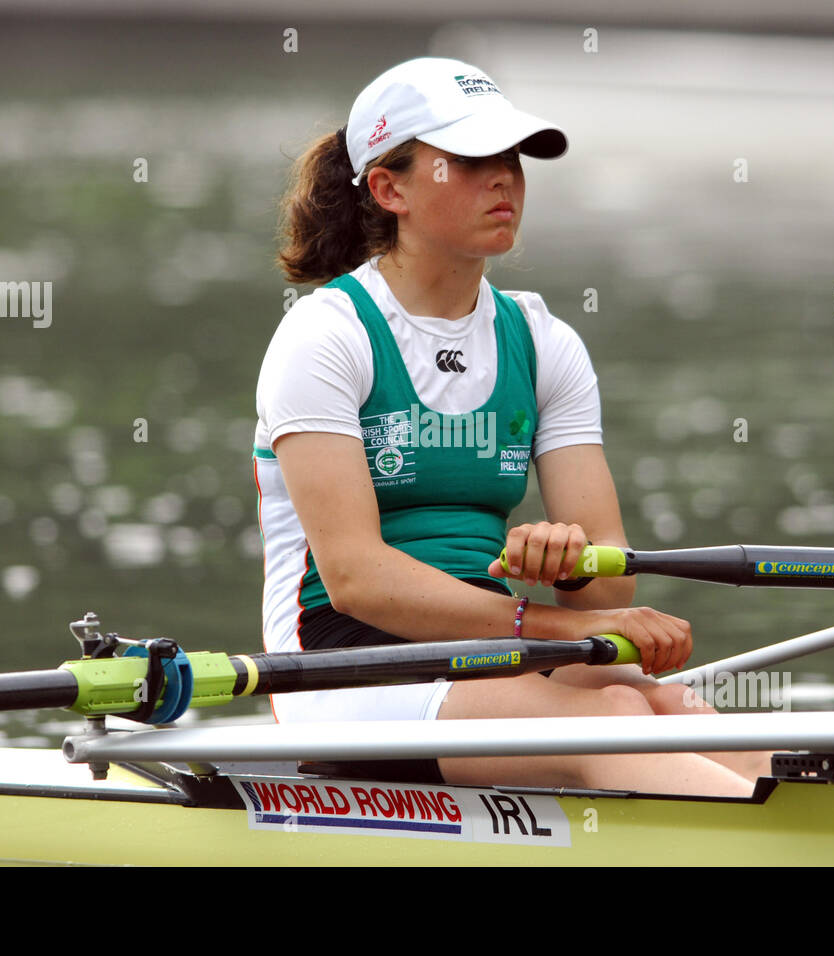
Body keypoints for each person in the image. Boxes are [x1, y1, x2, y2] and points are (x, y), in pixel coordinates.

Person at [255, 57, 769, 797]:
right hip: (344, 666)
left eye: (510, 158)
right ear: (388, 187)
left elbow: (603, 592)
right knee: (613, 707)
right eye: (468, 159)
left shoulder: (541, 339)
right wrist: (557, 630)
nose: (504, 178)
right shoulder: (325, 336)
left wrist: (568, 563)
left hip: (496, 637)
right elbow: (356, 580)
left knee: (665, 701)